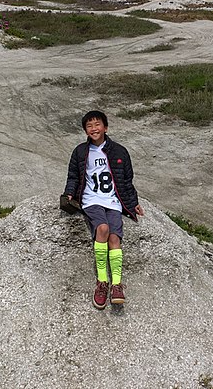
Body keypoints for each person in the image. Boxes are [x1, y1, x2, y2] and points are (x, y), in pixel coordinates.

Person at [63, 110, 144, 309]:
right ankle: (102, 281)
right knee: (102, 229)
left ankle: (116, 285)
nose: (94, 129)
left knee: (115, 239)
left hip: (113, 201)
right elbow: (73, 176)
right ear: (85, 130)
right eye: (89, 126)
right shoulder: (81, 151)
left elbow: (126, 180)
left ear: (105, 127)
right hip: (92, 199)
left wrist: (133, 202)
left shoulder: (119, 151)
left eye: (97, 124)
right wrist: (69, 194)